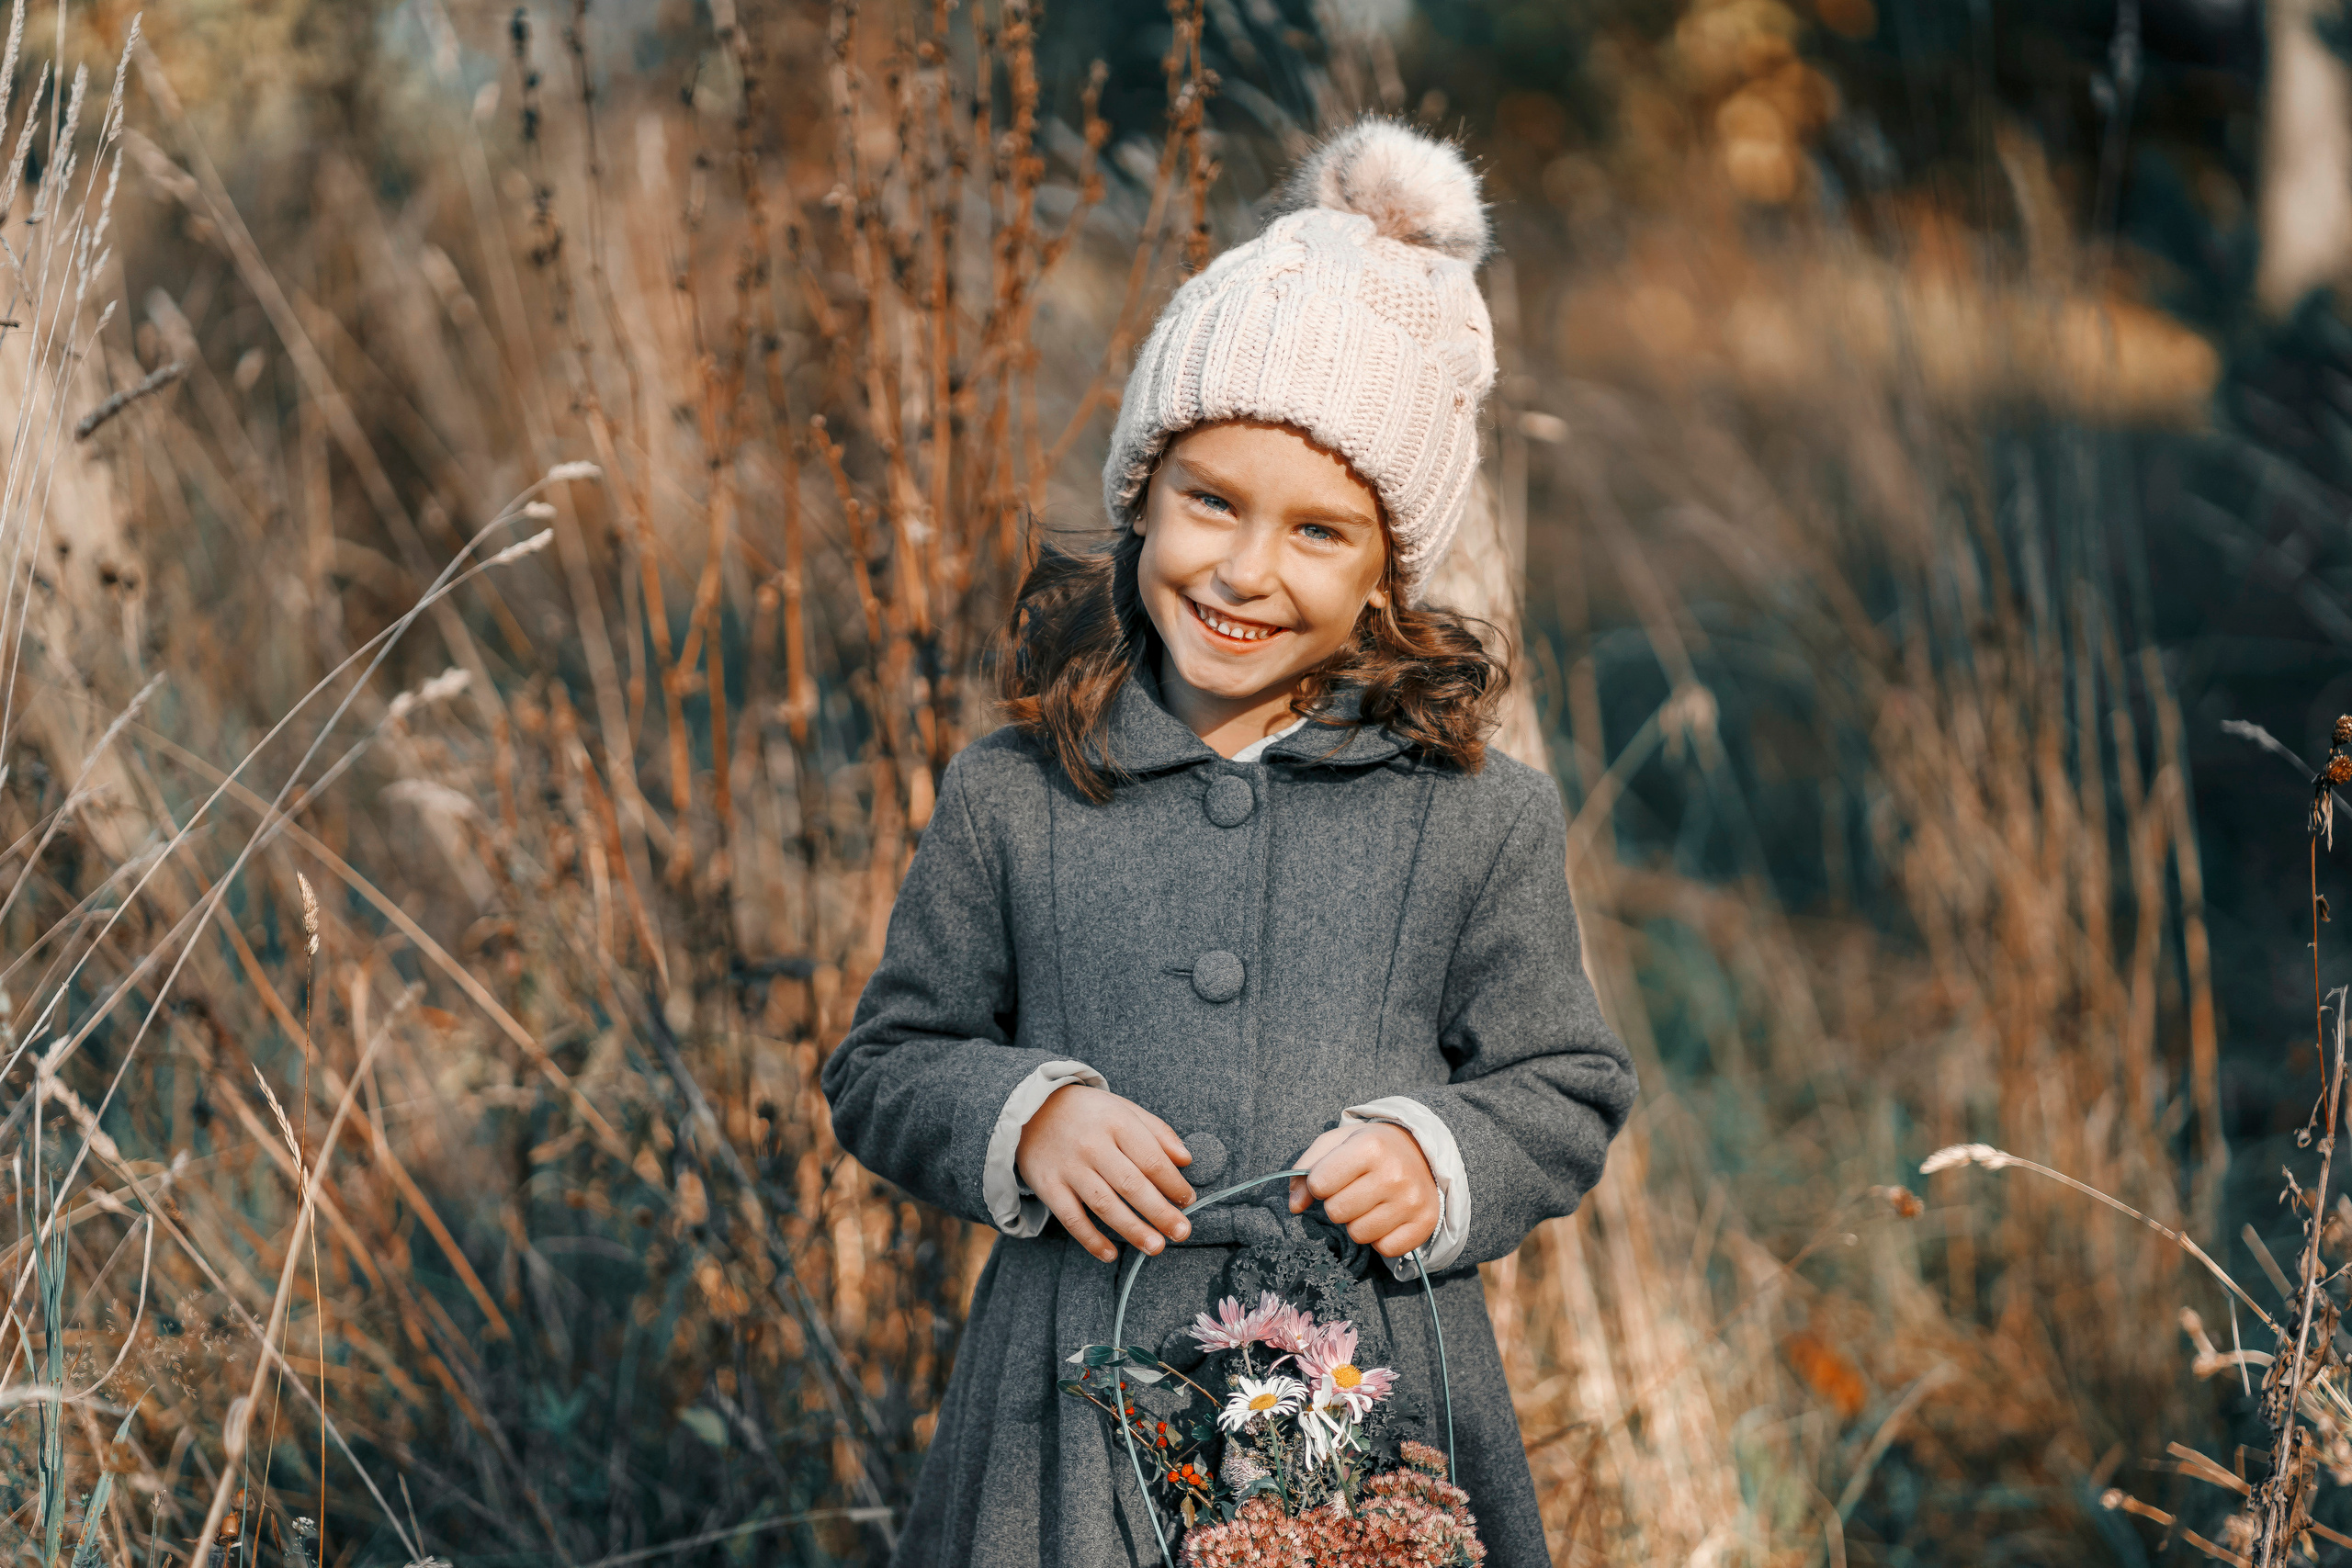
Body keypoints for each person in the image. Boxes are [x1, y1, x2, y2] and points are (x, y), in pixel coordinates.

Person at [822, 118, 1636, 1568]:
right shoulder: (1016, 792)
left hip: (1364, 1408)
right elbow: (888, 1064)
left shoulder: (1476, 813)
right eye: (1210, 502)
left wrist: (1442, 1154)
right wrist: (1025, 1117)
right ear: (1142, 497)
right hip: (1058, 1425)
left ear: (1391, 571)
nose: (1248, 570)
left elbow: (1565, 1084)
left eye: (1321, 532)